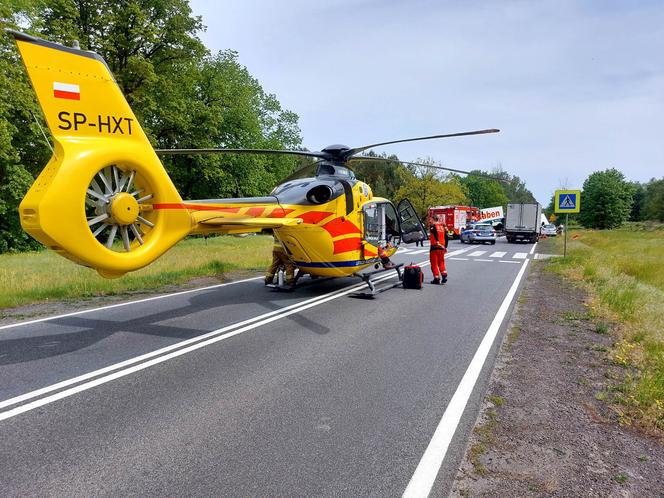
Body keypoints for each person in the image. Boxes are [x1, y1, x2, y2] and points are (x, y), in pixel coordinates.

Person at [429, 218, 448, 284]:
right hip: (442, 247)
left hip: (435, 246)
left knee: (434, 263)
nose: (429, 221)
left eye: (430, 219)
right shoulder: (442, 226)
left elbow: (435, 233)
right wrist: (445, 247)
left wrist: (437, 241)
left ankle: (436, 278)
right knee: (441, 262)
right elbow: (446, 236)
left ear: (434, 219)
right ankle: (444, 276)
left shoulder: (433, 226)